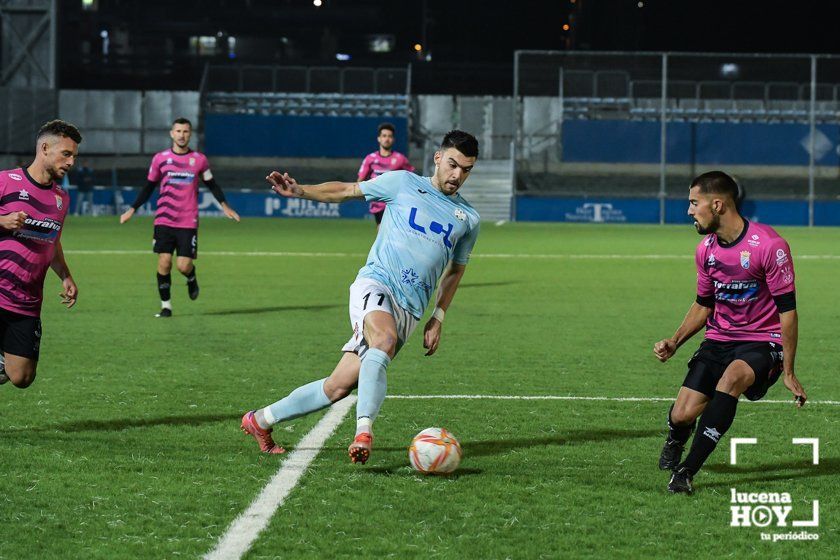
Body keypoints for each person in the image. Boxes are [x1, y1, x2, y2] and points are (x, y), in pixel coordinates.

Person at [241, 130, 480, 463]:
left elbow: (456, 270)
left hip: (411, 310)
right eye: (453, 164)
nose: (457, 175)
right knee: (382, 341)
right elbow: (348, 190)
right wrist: (300, 190)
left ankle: (260, 420)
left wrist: (437, 316)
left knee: (338, 386)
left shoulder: (468, 219)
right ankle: (363, 433)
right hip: (376, 284)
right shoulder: (402, 183)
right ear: (438, 158)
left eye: (466, 169)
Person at [653, 170, 807, 494]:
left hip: (762, 341)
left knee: (732, 379)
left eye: (694, 203)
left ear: (718, 205)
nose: (689, 211)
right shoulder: (706, 251)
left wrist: (789, 370)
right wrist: (675, 341)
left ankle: (686, 472)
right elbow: (703, 304)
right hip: (720, 339)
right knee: (682, 414)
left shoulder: (769, 246)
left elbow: (788, 313)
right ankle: (676, 437)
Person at [119, 118, 240, 317]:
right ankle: (166, 306)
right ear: (171, 133)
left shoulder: (199, 160)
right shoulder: (160, 158)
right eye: (178, 131)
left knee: (183, 265)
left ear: (190, 134)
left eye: (185, 131)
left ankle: (191, 276)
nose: (182, 135)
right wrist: (132, 209)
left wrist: (225, 206)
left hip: (188, 220)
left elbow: (212, 184)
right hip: (164, 219)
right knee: (164, 262)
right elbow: (149, 186)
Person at [0, 120, 81, 388]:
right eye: (66, 154)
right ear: (45, 148)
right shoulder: (5, 182)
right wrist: (2, 221)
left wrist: (66, 276)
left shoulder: (61, 198)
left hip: (27, 301)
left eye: (74, 156)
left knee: (22, 377)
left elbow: (52, 241)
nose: (71, 162)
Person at [358, 123, 415, 230]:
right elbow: (360, 181)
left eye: (389, 136)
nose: (387, 139)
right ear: (379, 139)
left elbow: (412, 179)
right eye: (384, 136)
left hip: (396, 203)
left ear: (393, 139)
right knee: (383, 232)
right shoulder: (370, 159)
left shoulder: (400, 159)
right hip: (378, 204)